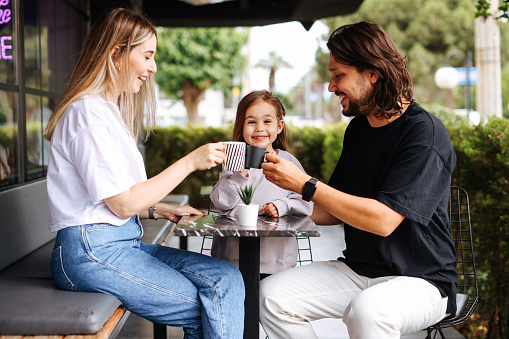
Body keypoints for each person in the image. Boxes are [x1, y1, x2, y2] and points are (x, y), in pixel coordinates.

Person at [43, 8, 244, 339]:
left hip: (122, 243)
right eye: (147, 56)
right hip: (91, 251)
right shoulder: (87, 114)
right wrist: (191, 161)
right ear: (116, 54)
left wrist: (160, 209)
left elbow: (116, 196)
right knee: (209, 305)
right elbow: (122, 204)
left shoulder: (108, 112)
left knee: (227, 278)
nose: (152, 67)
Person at [259, 22, 458, 339]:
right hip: (358, 270)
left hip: (423, 280)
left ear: (372, 73)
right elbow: (333, 208)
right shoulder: (358, 130)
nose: (330, 86)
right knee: (268, 297)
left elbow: (383, 220)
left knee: (368, 311)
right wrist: (276, 210)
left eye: (339, 75)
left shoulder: (424, 134)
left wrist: (305, 184)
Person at [210, 90, 313, 276]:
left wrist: (281, 206)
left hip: (275, 260)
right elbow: (221, 202)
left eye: (267, 121)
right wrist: (238, 174)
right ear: (241, 126)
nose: (259, 128)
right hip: (232, 260)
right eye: (251, 122)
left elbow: (306, 200)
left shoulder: (287, 162)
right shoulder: (233, 162)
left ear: (279, 126)